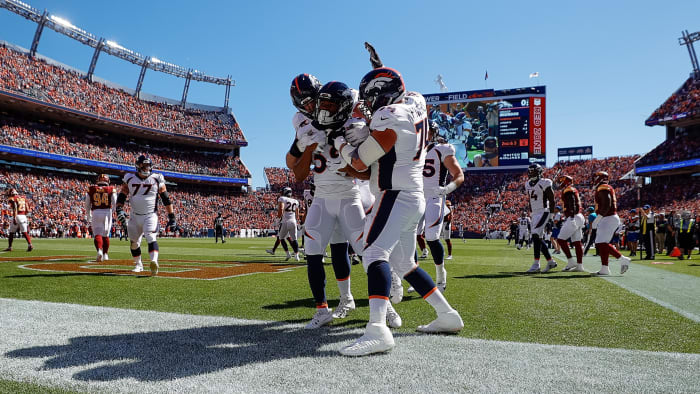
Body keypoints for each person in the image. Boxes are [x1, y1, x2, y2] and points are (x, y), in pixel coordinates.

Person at [333, 67, 463, 356]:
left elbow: (360, 160)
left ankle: (377, 330)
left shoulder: (388, 115)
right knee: (404, 263)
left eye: (370, 97)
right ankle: (447, 314)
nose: (367, 106)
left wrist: (341, 142)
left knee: (372, 254)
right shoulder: (415, 105)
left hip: (395, 195)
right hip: (411, 193)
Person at [420, 120, 464, 291]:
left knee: (431, 237)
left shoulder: (442, 149)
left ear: (435, 133)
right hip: (415, 196)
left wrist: (447, 189)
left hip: (433, 197)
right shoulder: (412, 149)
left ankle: (440, 274)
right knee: (409, 238)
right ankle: (415, 277)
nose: (425, 134)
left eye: (428, 131)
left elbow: (458, 175)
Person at [115, 155, 178, 276]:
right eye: (144, 166)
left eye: (148, 166)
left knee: (151, 236)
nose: (147, 168)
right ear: (138, 166)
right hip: (134, 215)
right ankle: (138, 264)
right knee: (134, 242)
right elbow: (123, 194)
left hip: (150, 215)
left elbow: (166, 199)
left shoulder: (157, 178)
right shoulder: (129, 178)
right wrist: (119, 209)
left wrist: (172, 217)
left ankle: (154, 261)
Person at [591, 171, 631, 275]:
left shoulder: (603, 187)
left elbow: (607, 203)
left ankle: (622, 259)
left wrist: (599, 217)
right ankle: (605, 268)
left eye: (596, 177)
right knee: (602, 243)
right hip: (608, 217)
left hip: (608, 217)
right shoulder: (604, 187)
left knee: (601, 243)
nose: (594, 180)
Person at [524, 163, 557, 273]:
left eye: (533, 171)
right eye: (530, 171)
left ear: (539, 172)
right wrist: (531, 213)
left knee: (535, 235)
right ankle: (550, 261)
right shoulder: (527, 184)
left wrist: (551, 216)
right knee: (538, 238)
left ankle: (536, 264)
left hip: (544, 211)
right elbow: (530, 200)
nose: (531, 173)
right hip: (535, 213)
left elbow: (552, 200)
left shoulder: (545, 182)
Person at [554, 175, 585, 272]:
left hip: (574, 216)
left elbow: (572, 202)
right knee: (577, 242)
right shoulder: (572, 189)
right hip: (578, 216)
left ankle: (571, 261)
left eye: (561, 181)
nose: (559, 183)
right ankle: (579, 266)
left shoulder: (568, 190)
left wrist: (571, 216)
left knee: (560, 239)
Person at [85, 174, 117, 262]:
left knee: (97, 233)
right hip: (107, 211)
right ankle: (105, 254)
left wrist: (88, 214)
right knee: (106, 234)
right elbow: (115, 201)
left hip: (96, 211)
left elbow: (87, 203)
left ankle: (99, 250)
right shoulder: (111, 189)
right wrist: (113, 211)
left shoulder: (91, 189)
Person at [275, 187, 301, 262]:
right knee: (294, 239)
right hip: (293, 221)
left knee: (281, 238)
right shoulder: (295, 201)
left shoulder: (282, 198)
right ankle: (297, 255)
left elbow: (281, 209)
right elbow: (297, 213)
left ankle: (288, 254)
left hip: (285, 221)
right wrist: (297, 220)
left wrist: (278, 219)